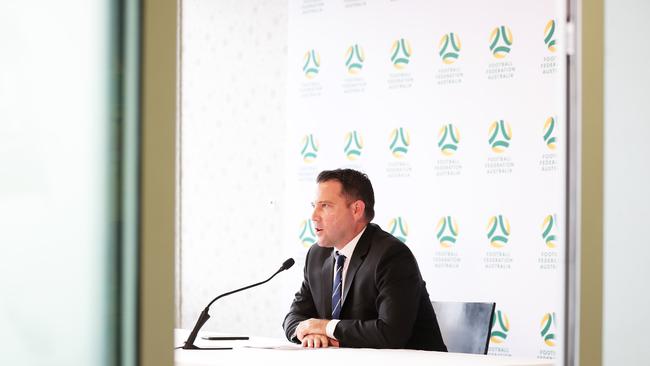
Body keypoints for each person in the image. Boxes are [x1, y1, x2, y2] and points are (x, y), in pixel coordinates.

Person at [283, 168, 447, 351]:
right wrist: (309, 332)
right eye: (314, 206)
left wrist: (325, 327)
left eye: (325, 206)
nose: (314, 216)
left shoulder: (391, 255)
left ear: (356, 209)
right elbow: (294, 317)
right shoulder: (316, 256)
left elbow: (390, 334)